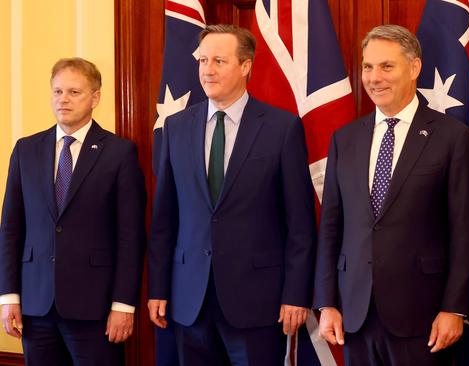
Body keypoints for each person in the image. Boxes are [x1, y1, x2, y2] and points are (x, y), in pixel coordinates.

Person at [313, 24, 469, 365]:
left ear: (414, 68)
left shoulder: (452, 138)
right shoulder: (345, 139)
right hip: (355, 314)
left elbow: (467, 231)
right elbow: (331, 226)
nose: (374, 77)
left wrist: (454, 307)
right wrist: (326, 301)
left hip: (423, 316)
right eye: (367, 67)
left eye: (386, 66)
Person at [147, 24, 316, 365]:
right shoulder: (176, 128)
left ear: (246, 66)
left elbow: (300, 224)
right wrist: (158, 288)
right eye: (203, 60)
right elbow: (165, 218)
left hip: (257, 301)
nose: (207, 70)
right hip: (188, 300)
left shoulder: (282, 128)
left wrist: (296, 294)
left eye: (219, 61)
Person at [0, 57, 146, 366]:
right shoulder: (26, 150)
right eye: (57, 92)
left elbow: (130, 237)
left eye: (74, 92)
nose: (63, 99)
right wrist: (9, 296)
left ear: (95, 98)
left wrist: (124, 305)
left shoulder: (119, 153)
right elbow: (11, 229)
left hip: (95, 308)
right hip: (36, 307)